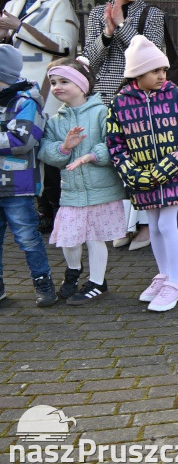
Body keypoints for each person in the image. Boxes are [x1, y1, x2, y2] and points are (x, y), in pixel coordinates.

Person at [107, 36, 178, 312]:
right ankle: (164, 275)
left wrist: (171, 165)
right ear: (137, 73)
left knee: (165, 225)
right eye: (155, 71)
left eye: (163, 70)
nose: (162, 76)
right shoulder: (119, 104)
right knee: (153, 225)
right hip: (143, 180)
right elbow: (115, 143)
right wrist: (132, 173)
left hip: (175, 176)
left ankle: (175, 281)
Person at [83, 0, 165, 251]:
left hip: (140, 97)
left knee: (142, 158)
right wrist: (106, 33)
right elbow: (90, 60)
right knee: (114, 161)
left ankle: (144, 225)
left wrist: (121, 25)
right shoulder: (96, 14)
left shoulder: (151, 14)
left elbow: (152, 55)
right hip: (106, 96)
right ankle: (122, 224)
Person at [1, 0, 80, 233]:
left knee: (48, 151)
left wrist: (19, 26)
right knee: (15, 150)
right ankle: (22, 210)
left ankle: (54, 210)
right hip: (12, 95)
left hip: (46, 94)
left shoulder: (59, 5)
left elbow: (65, 45)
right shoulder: (12, 4)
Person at [39, 58, 125, 306]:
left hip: (101, 190)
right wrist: (64, 148)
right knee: (69, 235)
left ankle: (98, 282)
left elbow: (113, 143)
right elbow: (46, 152)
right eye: (53, 82)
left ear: (82, 84)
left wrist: (91, 155)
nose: (56, 86)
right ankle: (74, 270)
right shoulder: (55, 120)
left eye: (64, 81)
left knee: (94, 237)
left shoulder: (102, 111)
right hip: (72, 191)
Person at [0, 44, 56, 307]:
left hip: (17, 187)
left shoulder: (27, 102)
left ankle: (43, 281)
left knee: (27, 238)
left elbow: (22, 140)